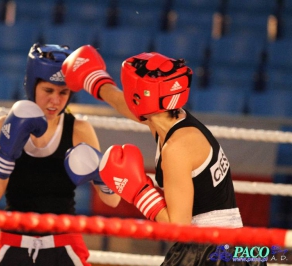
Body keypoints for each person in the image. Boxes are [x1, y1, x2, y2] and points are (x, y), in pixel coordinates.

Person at [61, 45, 267, 265]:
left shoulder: (176, 148)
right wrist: (94, 78)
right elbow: (126, 103)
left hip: (211, 250)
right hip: (228, 247)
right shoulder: (166, 118)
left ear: (140, 96)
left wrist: (139, 192)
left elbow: (178, 229)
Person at [0, 43, 120, 266]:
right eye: (48, 90)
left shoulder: (79, 130)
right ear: (32, 85)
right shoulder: (1, 127)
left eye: (63, 92)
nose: (55, 100)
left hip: (64, 245)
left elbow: (112, 200)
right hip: (14, 242)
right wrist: (5, 154)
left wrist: (100, 174)